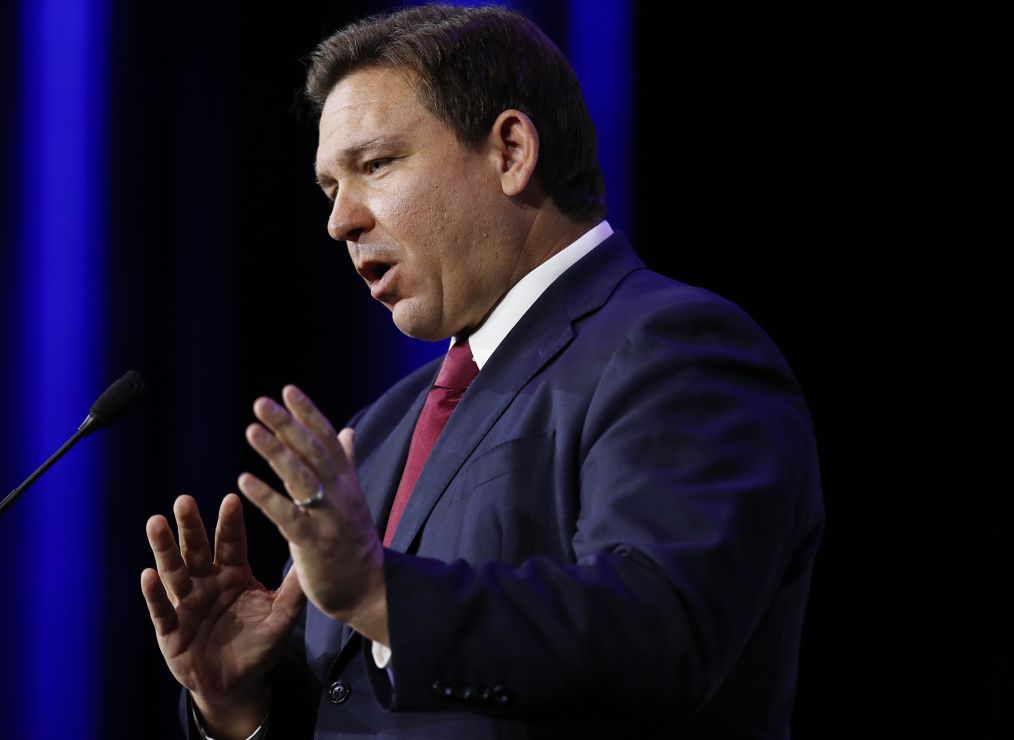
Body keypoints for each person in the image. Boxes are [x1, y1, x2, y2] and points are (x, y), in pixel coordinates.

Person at [140, 4, 824, 739]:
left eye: (374, 165)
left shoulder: (678, 349)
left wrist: (379, 593)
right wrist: (239, 704)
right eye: (328, 189)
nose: (339, 222)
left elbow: (659, 633)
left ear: (510, 151)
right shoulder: (379, 431)